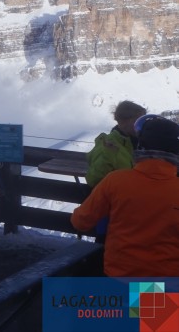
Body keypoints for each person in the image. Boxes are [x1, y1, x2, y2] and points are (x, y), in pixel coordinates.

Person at [71, 115, 179, 277]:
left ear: (140, 146)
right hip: (166, 284)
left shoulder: (115, 181)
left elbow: (80, 221)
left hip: (118, 279)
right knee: (148, 294)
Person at [85, 100, 146, 187]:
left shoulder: (140, 140)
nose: (143, 125)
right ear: (124, 122)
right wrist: (108, 155)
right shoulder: (107, 145)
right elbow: (93, 179)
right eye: (138, 121)